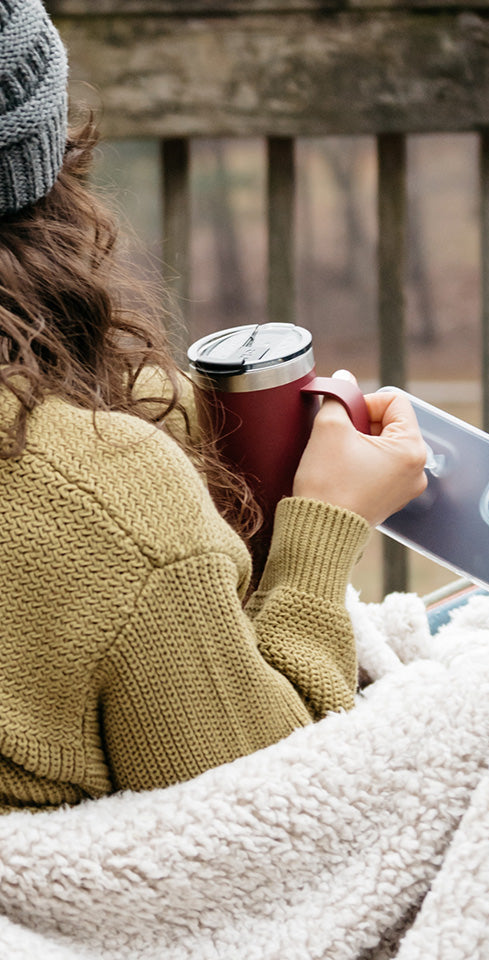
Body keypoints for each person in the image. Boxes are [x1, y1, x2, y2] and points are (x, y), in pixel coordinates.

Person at [0, 0, 427, 813]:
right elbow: (266, 812)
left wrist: (182, 418)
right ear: (48, 158)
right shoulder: (107, 496)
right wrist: (321, 532)